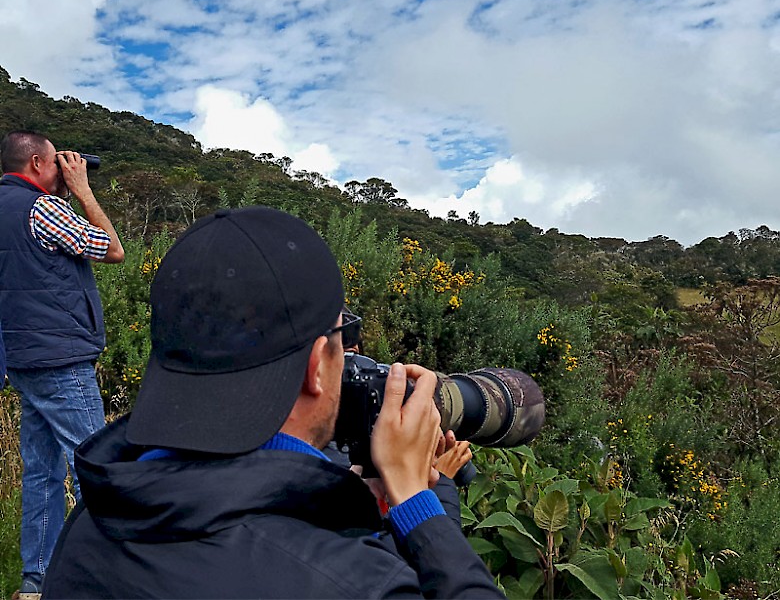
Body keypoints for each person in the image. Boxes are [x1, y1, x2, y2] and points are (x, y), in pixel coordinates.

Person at [42, 206, 504, 599]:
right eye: (344, 338)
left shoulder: (91, 523)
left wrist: (335, 499)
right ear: (316, 366)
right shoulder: (355, 583)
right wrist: (420, 500)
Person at [0, 131, 124, 599]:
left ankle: (37, 580)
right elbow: (112, 250)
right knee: (94, 464)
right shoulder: (42, 209)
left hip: (22, 360)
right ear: (36, 163)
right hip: (61, 358)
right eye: (59, 162)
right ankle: (106, 575)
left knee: (40, 471)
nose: (66, 169)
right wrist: (83, 190)